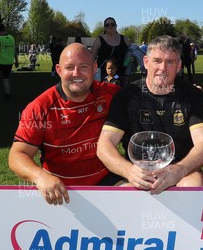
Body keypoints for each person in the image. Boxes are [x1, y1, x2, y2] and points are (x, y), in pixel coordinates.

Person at [97, 35, 203, 195]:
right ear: (146, 62)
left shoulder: (194, 96)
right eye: (157, 61)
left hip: (180, 169)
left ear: (179, 65)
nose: (162, 68)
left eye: (170, 62)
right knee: (127, 192)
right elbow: (104, 145)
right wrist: (129, 171)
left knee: (193, 185)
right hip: (138, 170)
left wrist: (179, 170)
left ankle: (179, 221)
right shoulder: (127, 95)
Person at [8, 43, 121, 205]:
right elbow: (17, 155)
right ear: (59, 70)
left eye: (83, 67)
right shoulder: (40, 108)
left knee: (139, 199)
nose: (76, 73)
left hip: (105, 180)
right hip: (59, 188)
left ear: (94, 68)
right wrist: (40, 177)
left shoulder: (111, 95)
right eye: (69, 67)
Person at [0, 24, 18, 101]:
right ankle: (7, 93)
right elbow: (14, 51)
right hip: (10, 62)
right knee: (5, 78)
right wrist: (16, 61)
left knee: (5, 79)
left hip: (2, 62)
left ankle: (8, 95)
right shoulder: (11, 38)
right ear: (5, 29)